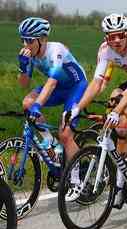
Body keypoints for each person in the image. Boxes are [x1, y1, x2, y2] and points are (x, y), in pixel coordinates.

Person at [65, 13, 127, 207]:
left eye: (120, 35)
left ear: (126, 34)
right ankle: (121, 180)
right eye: (111, 36)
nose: (116, 40)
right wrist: (77, 108)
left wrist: (118, 112)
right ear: (106, 38)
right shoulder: (105, 50)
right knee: (115, 111)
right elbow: (96, 83)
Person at [17, 17, 88, 200]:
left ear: (42, 39)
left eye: (30, 40)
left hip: (76, 87)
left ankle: (75, 180)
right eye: (23, 39)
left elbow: (51, 82)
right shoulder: (30, 55)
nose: (26, 44)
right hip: (58, 89)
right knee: (27, 102)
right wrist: (23, 68)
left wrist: (38, 106)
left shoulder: (56, 50)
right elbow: (24, 85)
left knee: (65, 134)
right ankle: (51, 144)